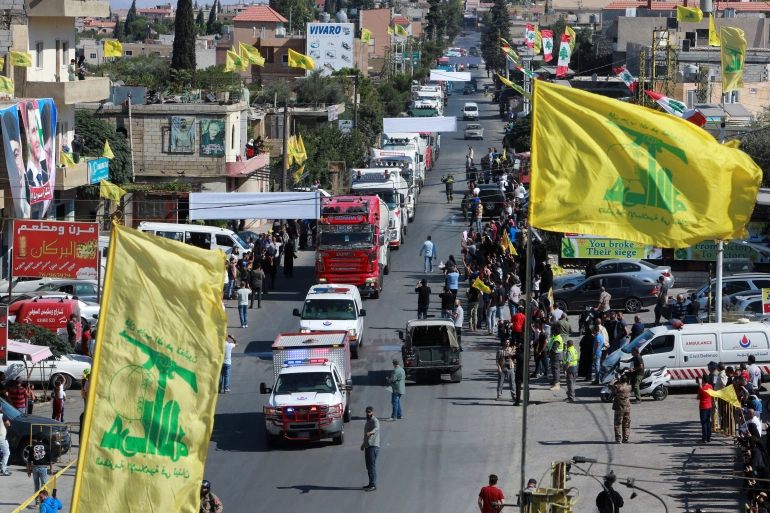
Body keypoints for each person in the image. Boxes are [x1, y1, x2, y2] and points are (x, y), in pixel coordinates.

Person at [27, 432, 52, 506]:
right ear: (43, 438)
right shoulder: (46, 447)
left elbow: (29, 461)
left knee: (36, 484)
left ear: (36, 438)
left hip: (35, 467)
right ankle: (44, 500)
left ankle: (37, 501)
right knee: (44, 484)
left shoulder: (32, 447)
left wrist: (29, 470)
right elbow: (50, 459)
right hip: (43, 467)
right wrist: (51, 469)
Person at [361, 406, 380, 491]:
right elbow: (366, 435)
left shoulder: (375, 420)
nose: (368, 413)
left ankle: (373, 485)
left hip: (373, 446)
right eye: (367, 412)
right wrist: (363, 444)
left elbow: (377, 428)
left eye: (369, 412)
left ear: (373, 412)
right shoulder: (368, 421)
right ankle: (370, 483)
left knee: (371, 466)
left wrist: (371, 433)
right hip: (368, 446)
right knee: (368, 466)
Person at [610, 374, 632, 443]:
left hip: (619, 407)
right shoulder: (629, 387)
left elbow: (610, 386)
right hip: (627, 407)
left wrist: (613, 380)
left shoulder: (617, 387)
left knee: (617, 423)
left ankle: (618, 438)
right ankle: (626, 437)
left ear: (620, 380)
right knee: (626, 423)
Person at [694, 373, 713, 443]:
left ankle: (704, 438)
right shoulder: (710, 386)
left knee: (704, 423)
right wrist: (700, 386)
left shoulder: (702, 389)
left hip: (703, 406)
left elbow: (698, 397)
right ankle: (708, 437)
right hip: (709, 406)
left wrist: (700, 387)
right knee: (708, 422)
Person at [0, 402, 11, 476]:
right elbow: (8, 424)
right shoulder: (2, 416)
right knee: (6, 453)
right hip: (1, 437)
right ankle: (3, 469)